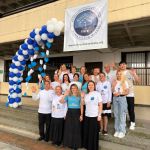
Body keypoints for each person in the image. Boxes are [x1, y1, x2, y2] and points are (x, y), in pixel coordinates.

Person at [60, 84, 83, 150]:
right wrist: (65, 94)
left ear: (77, 88)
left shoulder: (79, 96)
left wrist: (81, 115)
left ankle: (76, 145)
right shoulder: (68, 96)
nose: (73, 89)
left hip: (77, 112)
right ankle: (69, 143)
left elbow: (81, 105)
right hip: (69, 112)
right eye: (72, 88)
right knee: (69, 128)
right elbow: (61, 101)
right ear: (71, 89)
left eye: (75, 88)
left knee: (76, 128)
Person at [119, 60, 140, 130]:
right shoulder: (118, 73)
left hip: (130, 93)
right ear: (119, 66)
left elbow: (138, 81)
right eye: (121, 64)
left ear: (126, 65)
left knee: (131, 109)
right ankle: (123, 122)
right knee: (123, 109)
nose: (122, 65)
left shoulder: (130, 72)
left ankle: (132, 122)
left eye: (124, 64)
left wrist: (134, 74)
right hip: (122, 94)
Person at [82, 80, 102, 150]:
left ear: (94, 86)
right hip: (87, 115)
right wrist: (82, 97)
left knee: (93, 132)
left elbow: (100, 104)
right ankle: (88, 146)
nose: (90, 86)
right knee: (88, 131)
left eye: (92, 85)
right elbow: (83, 104)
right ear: (87, 86)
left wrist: (99, 115)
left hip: (94, 115)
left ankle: (93, 147)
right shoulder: (86, 95)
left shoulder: (97, 93)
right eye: (89, 85)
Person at [112, 70, 129, 138]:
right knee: (116, 114)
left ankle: (122, 131)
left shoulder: (124, 82)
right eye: (117, 74)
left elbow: (127, 92)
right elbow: (113, 90)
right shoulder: (114, 82)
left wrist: (120, 93)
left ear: (122, 75)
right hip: (115, 99)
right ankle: (117, 130)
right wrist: (114, 92)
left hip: (122, 98)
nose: (118, 75)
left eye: (120, 74)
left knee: (122, 114)